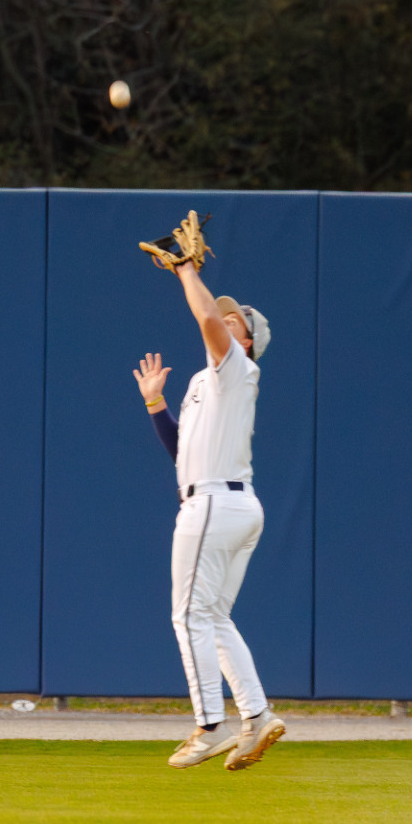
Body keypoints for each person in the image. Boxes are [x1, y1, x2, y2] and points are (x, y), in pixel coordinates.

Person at [133, 213, 286, 770]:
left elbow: (205, 319)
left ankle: (208, 724)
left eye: (232, 318)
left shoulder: (237, 365)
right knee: (215, 618)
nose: (222, 318)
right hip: (227, 502)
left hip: (215, 507)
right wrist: (155, 405)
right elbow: (182, 454)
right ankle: (258, 716)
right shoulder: (206, 382)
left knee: (188, 617)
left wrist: (186, 272)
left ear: (247, 338)